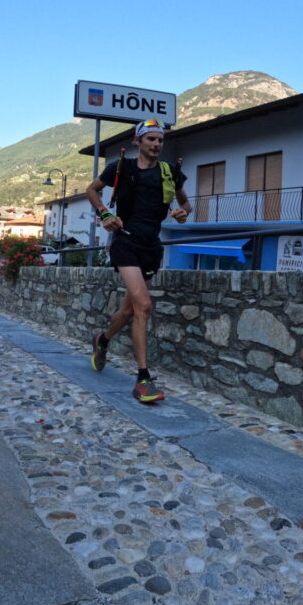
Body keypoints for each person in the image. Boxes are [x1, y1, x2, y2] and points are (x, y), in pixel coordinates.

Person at [85, 118, 191, 403]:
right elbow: (91, 190)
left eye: (160, 140)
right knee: (144, 305)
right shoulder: (122, 167)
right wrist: (105, 214)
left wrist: (183, 213)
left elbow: (186, 204)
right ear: (138, 141)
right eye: (151, 139)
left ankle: (102, 340)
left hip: (151, 246)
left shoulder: (169, 172)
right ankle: (143, 379)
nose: (156, 144)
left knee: (130, 311)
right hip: (125, 241)